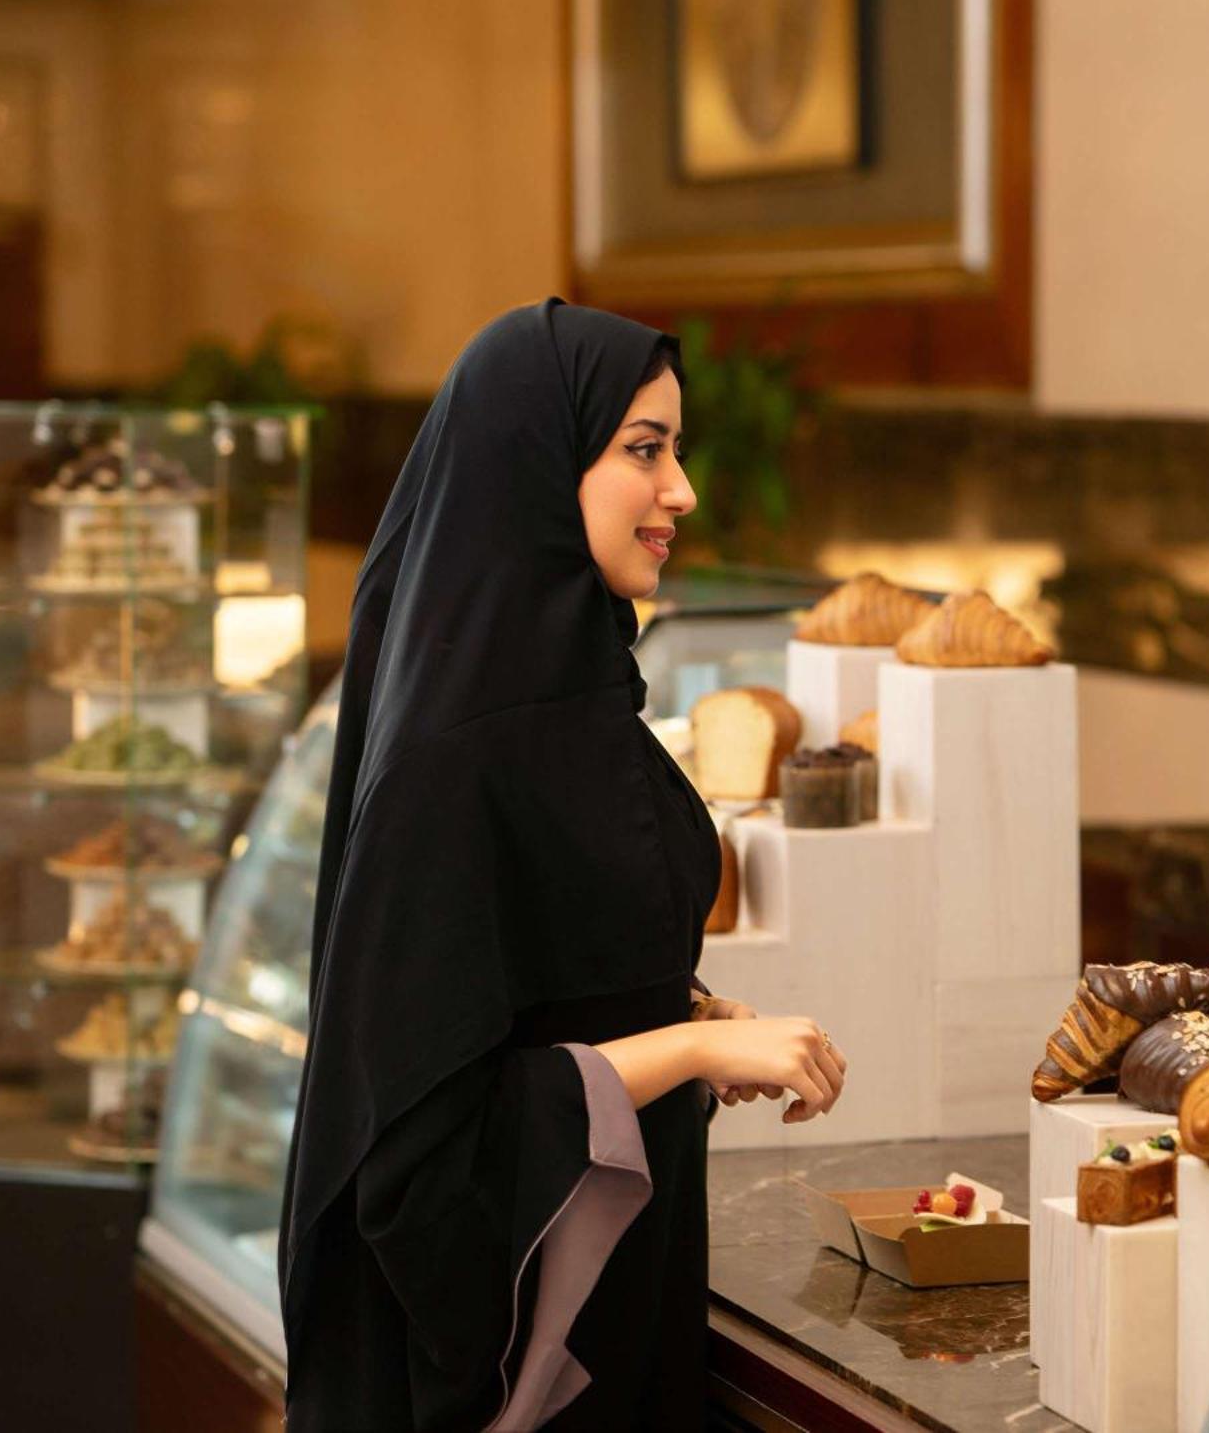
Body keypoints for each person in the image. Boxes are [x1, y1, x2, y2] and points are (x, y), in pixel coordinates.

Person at [278, 300, 847, 1431]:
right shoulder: (450, 765)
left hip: (624, 1308)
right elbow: (420, 1157)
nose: (679, 489)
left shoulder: (583, 707)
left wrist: (683, 1012)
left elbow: (543, 979)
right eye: (644, 449)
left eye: (676, 450)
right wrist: (686, 1046)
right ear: (535, 466)